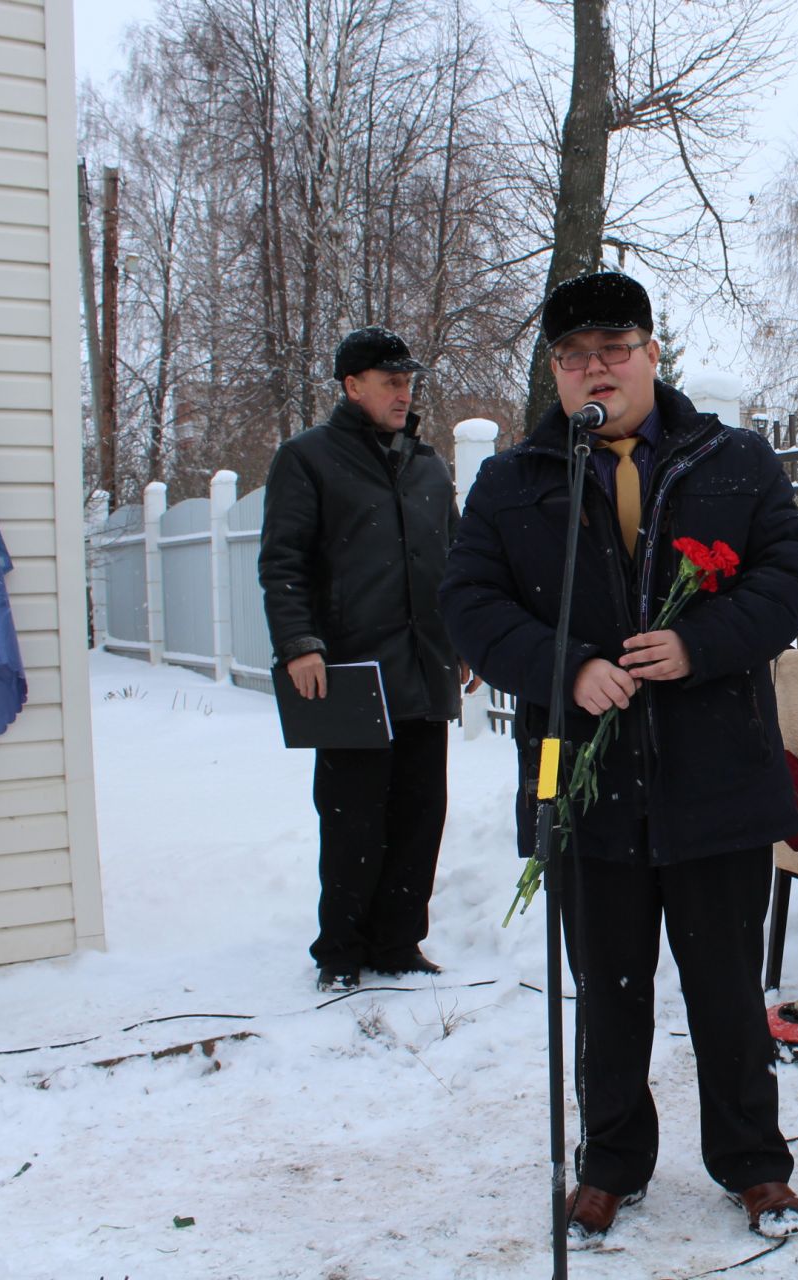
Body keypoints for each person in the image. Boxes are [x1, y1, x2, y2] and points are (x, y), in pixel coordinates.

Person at [438, 270, 798, 1247]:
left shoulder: (731, 461)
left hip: (717, 776)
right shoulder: (515, 478)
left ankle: (754, 1161)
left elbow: (789, 572)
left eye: (613, 348)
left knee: (728, 990)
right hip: (587, 782)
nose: (593, 368)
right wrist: (563, 668)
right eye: (573, 356)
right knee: (606, 992)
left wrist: (704, 641)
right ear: (556, 372)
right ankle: (610, 1160)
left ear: (652, 354)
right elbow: (469, 602)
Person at [259, 326, 472, 994]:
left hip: (425, 663)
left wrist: (464, 637)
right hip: (351, 670)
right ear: (352, 387)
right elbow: (283, 561)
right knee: (353, 818)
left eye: (408, 383)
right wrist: (300, 644)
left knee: (419, 814)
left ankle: (399, 941)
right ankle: (342, 948)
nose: (404, 395)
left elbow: (456, 560)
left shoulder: (430, 465)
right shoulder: (309, 459)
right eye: (390, 382)